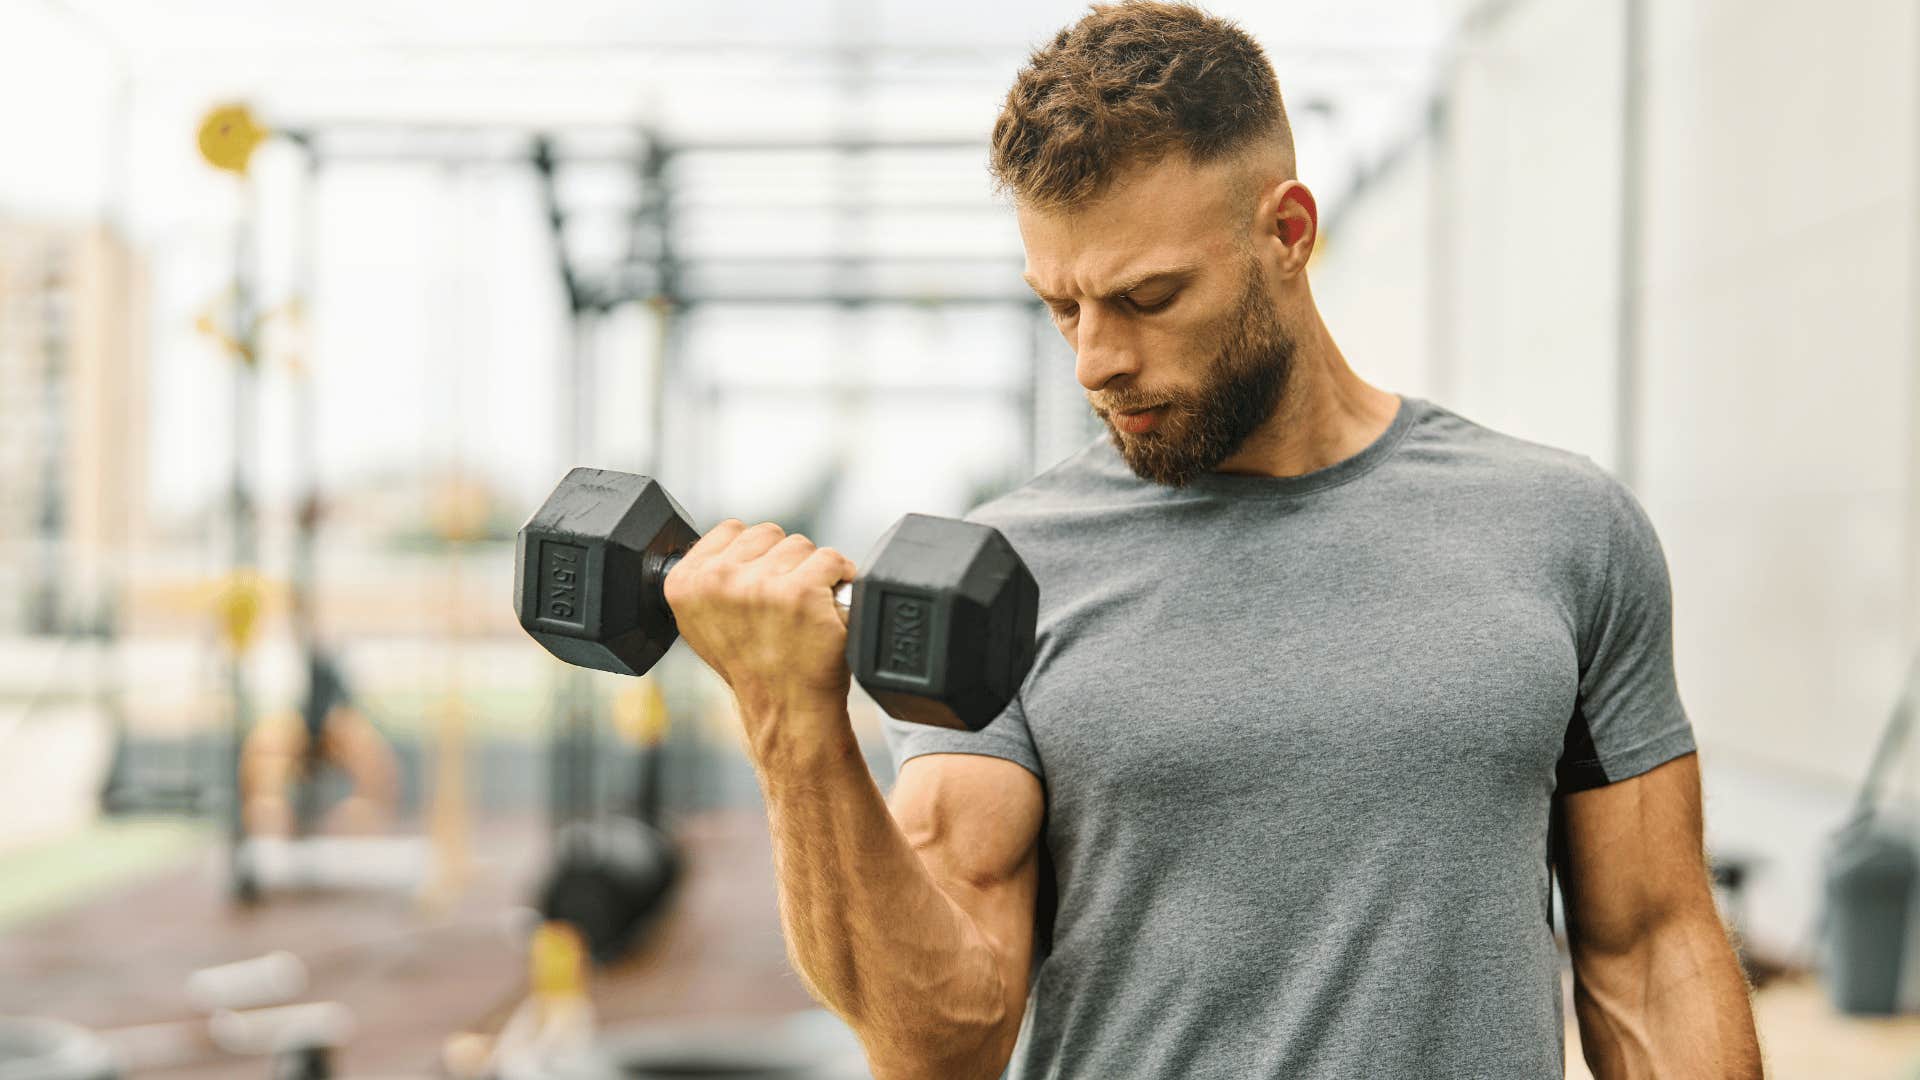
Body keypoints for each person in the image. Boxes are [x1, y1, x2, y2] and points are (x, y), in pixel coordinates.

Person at [662, 3, 1764, 1077]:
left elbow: (1651, 947)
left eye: (1147, 296)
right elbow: (941, 1042)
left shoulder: (1560, 528)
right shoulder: (1000, 577)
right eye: (1062, 306)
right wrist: (788, 721)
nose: (1095, 360)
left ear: (1287, 232)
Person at [240, 600, 400, 838]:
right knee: (267, 755)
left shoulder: (350, 730)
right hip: (304, 724)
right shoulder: (276, 736)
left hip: (335, 721)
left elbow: (378, 775)